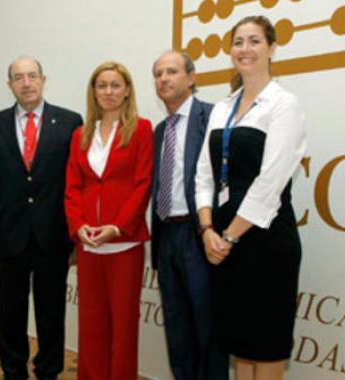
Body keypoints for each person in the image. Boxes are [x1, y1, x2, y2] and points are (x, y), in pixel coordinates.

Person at [194, 15, 307, 380]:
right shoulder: (222, 108)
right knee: (239, 347)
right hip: (223, 239)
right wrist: (207, 228)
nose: (245, 49)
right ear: (230, 51)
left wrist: (227, 237)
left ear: (272, 48)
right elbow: (204, 175)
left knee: (267, 347)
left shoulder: (284, 104)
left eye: (255, 41)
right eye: (239, 41)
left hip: (267, 240)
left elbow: (270, 183)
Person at [0, 56, 83, 380]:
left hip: (53, 235)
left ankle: (49, 371)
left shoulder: (70, 122)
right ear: (10, 85)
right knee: (10, 312)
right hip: (9, 235)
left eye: (32, 76)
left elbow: (76, 182)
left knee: (52, 312)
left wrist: (75, 234)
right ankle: (14, 371)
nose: (26, 83)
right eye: (18, 77)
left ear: (43, 79)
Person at [64, 61, 153, 380]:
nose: (108, 92)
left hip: (124, 243)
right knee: (91, 324)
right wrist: (78, 226)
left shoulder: (142, 129)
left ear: (127, 90)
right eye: (102, 85)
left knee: (123, 326)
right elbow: (73, 186)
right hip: (88, 243)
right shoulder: (79, 135)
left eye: (115, 85)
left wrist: (116, 226)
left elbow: (143, 184)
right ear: (93, 92)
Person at [150, 51, 228, 380]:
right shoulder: (158, 130)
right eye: (158, 73)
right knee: (177, 329)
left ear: (192, 77)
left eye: (172, 71)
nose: (164, 79)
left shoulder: (213, 117)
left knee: (208, 328)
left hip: (200, 235)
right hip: (166, 235)